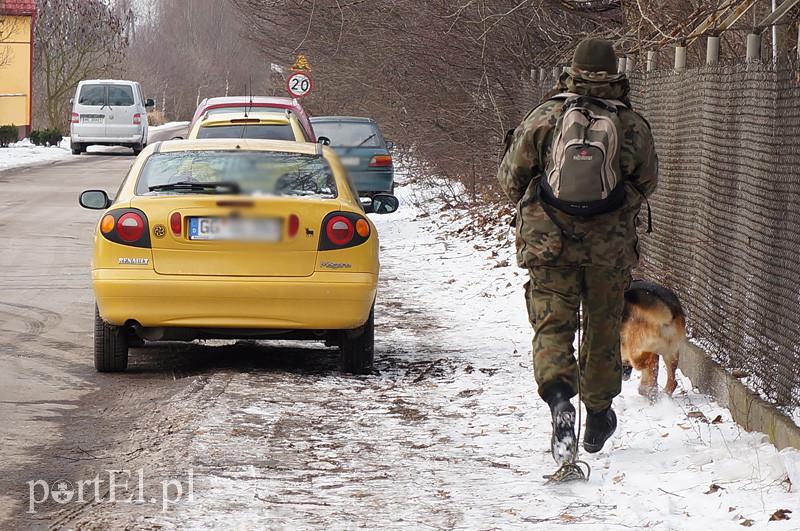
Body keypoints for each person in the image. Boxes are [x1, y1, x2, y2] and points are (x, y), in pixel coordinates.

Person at [496, 37, 658, 464]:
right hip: (609, 247)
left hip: (547, 242)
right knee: (603, 328)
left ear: (572, 70)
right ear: (615, 73)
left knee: (552, 324)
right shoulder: (631, 124)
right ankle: (599, 412)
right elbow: (646, 182)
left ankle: (559, 403)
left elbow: (512, 179)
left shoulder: (546, 116)